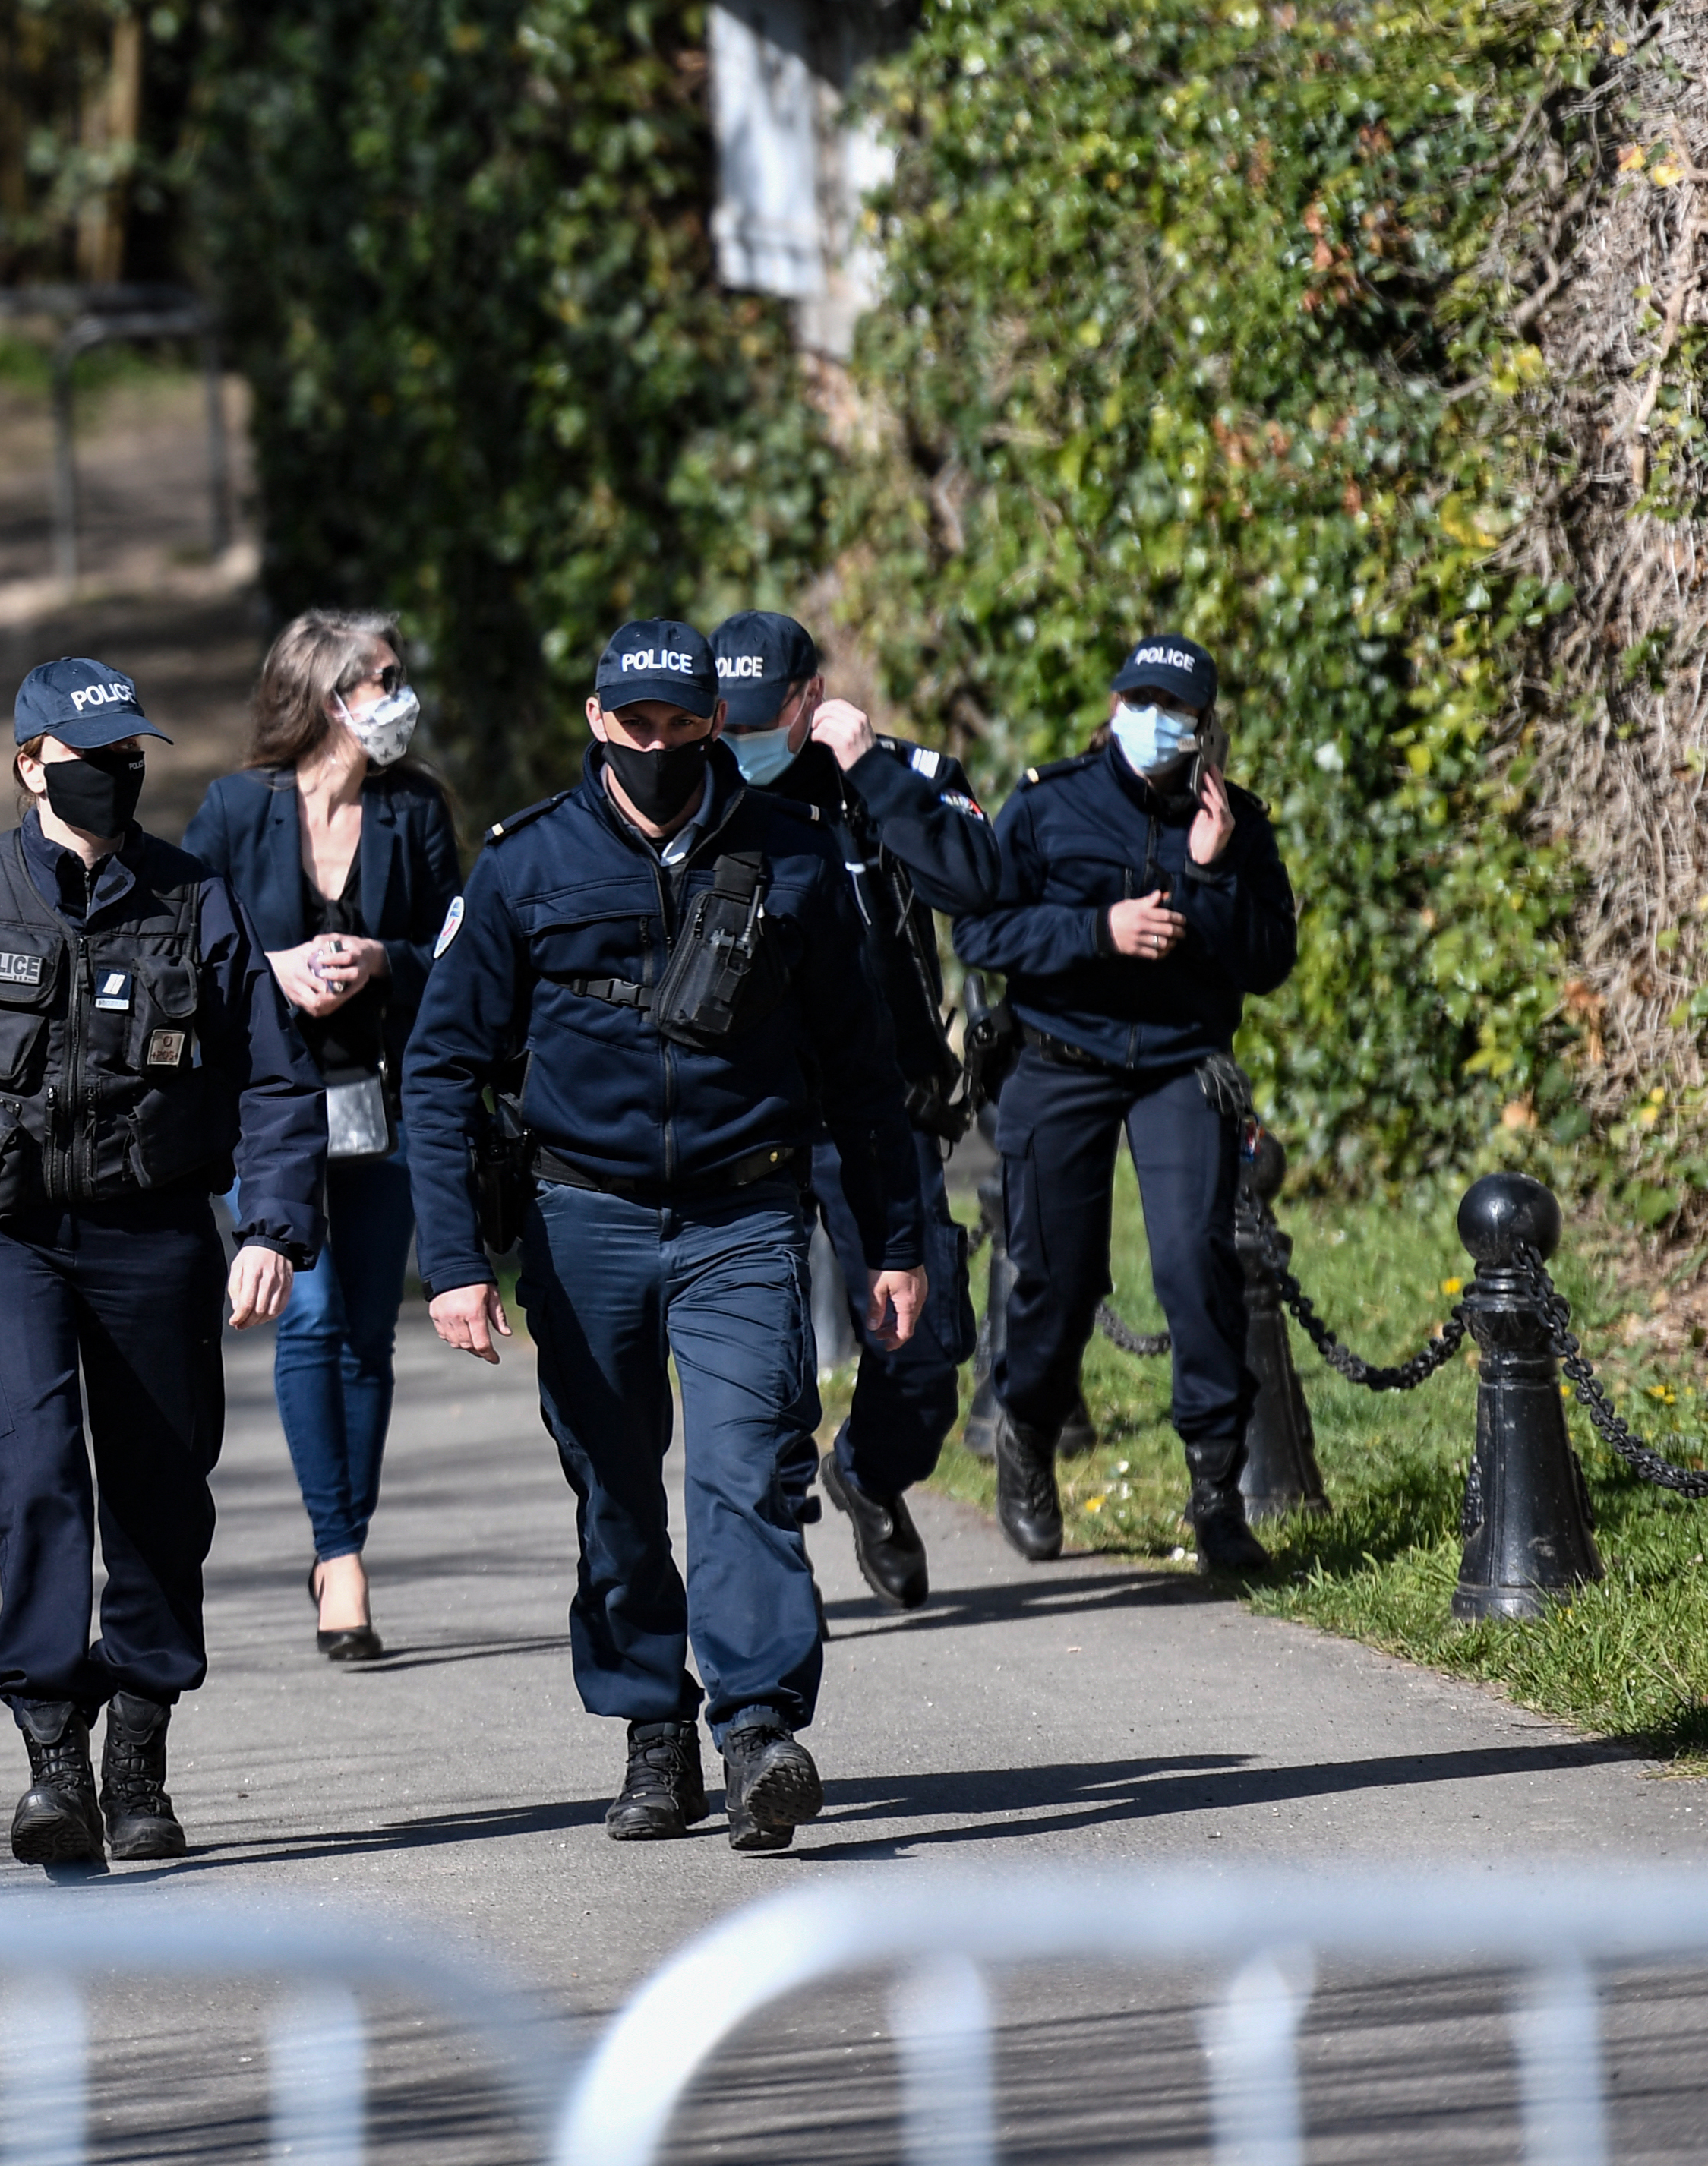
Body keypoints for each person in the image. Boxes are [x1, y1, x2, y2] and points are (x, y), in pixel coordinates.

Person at [401, 619, 925, 1855]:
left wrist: (890, 1243)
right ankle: (652, 1727)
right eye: (631, 725)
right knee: (615, 1494)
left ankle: (755, 1735)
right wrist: (456, 1265)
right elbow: (437, 1069)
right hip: (578, 1220)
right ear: (595, 721)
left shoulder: (789, 858)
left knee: (745, 1473)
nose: (654, 745)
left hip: (742, 1214)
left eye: (678, 725)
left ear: (709, 725)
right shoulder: (524, 867)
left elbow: (862, 1074)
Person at [0, 656, 325, 1866]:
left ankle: (136, 1754)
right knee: (37, 1474)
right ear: (31, 767)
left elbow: (272, 1076)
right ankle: (51, 1755)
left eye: (127, 759)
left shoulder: (192, 899)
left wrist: (271, 1228)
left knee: (159, 1495)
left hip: (151, 1233)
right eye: (89, 762)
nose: (113, 778)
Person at [950, 635, 1298, 1575]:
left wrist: (1211, 871)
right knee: (1059, 1281)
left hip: (1180, 1064)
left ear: (1201, 726)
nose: (1152, 722)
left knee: (1195, 1265)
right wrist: (1095, 932)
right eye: (1137, 700)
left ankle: (1216, 1496)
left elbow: (1267, 961)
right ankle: (1026, 1430)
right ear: (1111, 709)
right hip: (1059, 1059)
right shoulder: (1046, 803)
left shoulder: (1234, 820)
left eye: (1173, 709)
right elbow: (980, 926)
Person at [712, 610, 1012, 1612]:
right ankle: (772, 1560)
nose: (742, 738)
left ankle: (869, 1476)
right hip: (746, 1110)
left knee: (922, 1359)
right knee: (760, 1354)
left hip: (878, 1106)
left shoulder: (903, 772)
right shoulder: (695, 783)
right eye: (728, 720)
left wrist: (868, 774)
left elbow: (978, 885)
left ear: (810, 700)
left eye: (765, 718)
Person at [182, 610, 460, 1662]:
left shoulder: (413, 811)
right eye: (379, 678)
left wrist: (383, 961)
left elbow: (460, 948)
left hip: (384, 1104)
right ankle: (337, 1555)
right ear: (322, 696)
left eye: (397, 674)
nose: (398, 696)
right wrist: (272, 971)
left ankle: (345, 1533)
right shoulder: (231, 810)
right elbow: (186, 950)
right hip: (270, 1113)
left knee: (364, 1333)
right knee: (305, 1320)